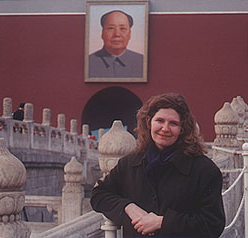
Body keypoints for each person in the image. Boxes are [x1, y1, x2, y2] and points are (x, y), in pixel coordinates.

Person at [90, 93, 225, 238]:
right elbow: (99, 195)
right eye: (159, 120)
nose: (165, 129)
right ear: (149, 123)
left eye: (173, 123)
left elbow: (213, 224)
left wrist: (163, 223)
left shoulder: (204, 169)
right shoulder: (131, 163)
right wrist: (128, 207)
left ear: (182, 129)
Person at [89, 10, 143, 78]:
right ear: (102, 33)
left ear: (129, 34)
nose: (117, 34)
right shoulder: (88, 63)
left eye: (122, 28)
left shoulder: (142, 62)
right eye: (111, 28)